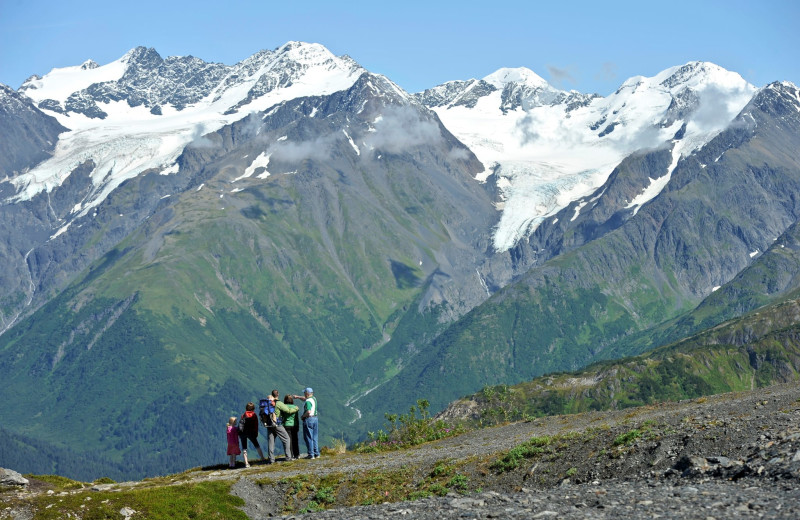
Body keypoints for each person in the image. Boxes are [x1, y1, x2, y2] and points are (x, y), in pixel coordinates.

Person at [265, 394, 299, 463]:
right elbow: (288, 411)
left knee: (271, 442)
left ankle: (271, 459)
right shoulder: (278, 403)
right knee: (286, 439)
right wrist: (296, 408)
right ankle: (288, 457)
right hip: (277, 424)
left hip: (269, 425)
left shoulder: (266, 405)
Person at [293, 387, 319, 459]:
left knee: (308, 437)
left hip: (309, 419)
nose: (304, 394)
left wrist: (302, 416)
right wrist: (298, 397)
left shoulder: (308, 402)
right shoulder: (314, 398)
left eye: (304, 393)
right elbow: (305, 398)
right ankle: (316, 453)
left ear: (307, 393)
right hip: (315, 419)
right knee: (314, 437)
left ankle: (311, 454)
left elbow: (308, 412)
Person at [239, 402, 264, 468]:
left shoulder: (243, 415)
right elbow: (256, 425)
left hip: (243, 433)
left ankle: (246, 463)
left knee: (244, 448)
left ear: (246, 408)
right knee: (257, 445)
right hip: (251, 432)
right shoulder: (254, 415)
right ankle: (262, 458)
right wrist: (256, 433)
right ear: (253, 408)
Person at [283, 395, 301, 459]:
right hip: (294, 425)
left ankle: (290, 455)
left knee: (288, 441)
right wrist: (298, 426)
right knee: (295, 440)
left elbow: (282, 417)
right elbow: (296, 418)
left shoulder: (284, 407)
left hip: (286, 425)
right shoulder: (295, 407)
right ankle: (297, 454)